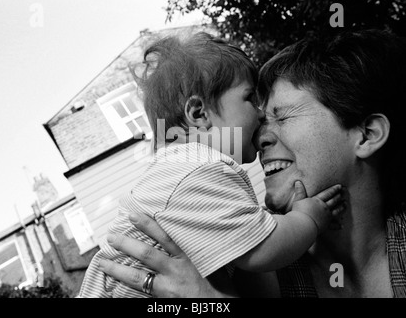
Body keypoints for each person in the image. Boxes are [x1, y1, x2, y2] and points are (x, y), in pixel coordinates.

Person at [98, 29, 406, 298]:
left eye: (282, 116)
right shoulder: (241, 268)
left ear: (366, 135)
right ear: (197, 113)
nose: (260, 137)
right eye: (253, 105)